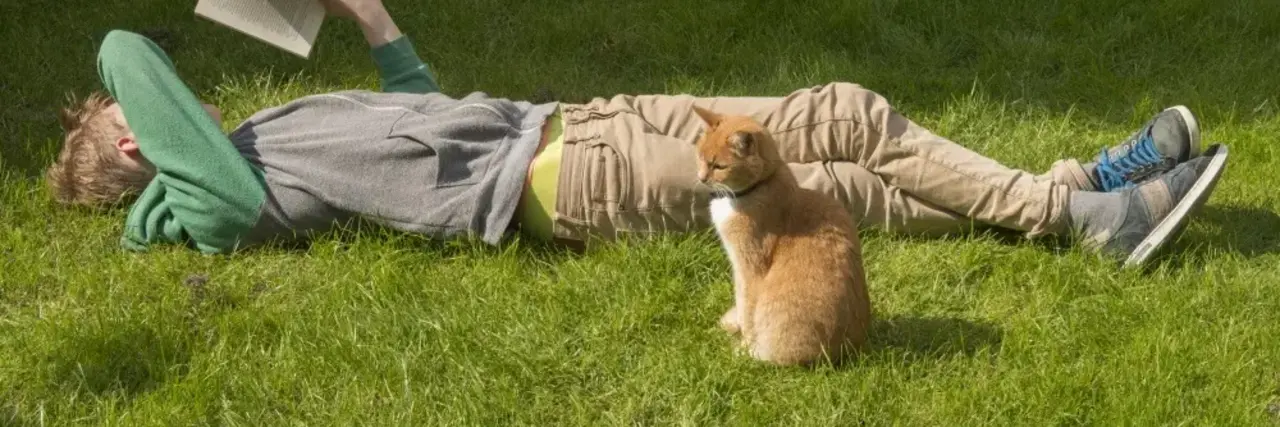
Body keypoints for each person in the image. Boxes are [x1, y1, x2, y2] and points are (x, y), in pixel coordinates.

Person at [46, 0, 1224, 266]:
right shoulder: (214, 198)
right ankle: (1078, 213)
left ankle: (1074, 186)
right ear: (142, 147)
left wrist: (373, 21)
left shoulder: (265, 133)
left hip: (581, 127)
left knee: (846, 188)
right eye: (143, 119)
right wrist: (110, 110)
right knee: (847, 119)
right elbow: (120, 48)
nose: (177, 96)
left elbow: (430, 119)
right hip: (577, 181)